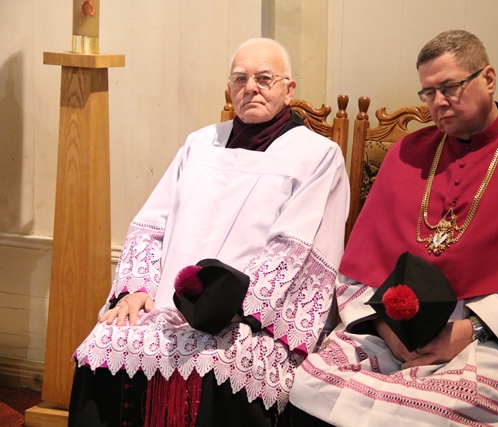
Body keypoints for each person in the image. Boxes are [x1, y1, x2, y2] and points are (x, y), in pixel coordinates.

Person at [288, 29, 498, 426]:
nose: (438, 102)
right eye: (428, 93)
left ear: (488, 78)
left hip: (497, 339)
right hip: (397, 333)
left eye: (450, 87)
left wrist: (469, 332)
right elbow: (361, 268)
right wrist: (385, 326)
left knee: (426, 411)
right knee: (309, 386)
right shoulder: (407, 155)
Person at [68, 37, 350, 427]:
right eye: (240, 79)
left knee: (222, 361)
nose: (251, 88)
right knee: (106, 341)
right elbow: (150, 225)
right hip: (166, 303)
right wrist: (136, 289)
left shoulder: (317, 155)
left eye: (264, 78)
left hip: (249, 313)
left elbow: (293, 250)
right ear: (229, 89)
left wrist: (228, 308)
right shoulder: (199, 144)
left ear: (289, 89)